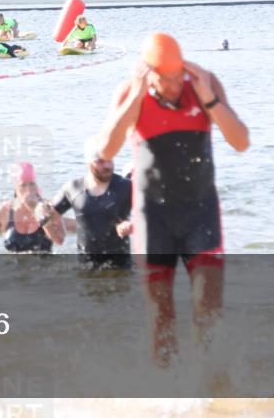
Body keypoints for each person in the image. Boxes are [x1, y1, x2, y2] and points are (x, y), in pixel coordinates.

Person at [96, 32, 249, 367]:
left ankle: (210, 389)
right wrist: (135, 98)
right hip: (153, 219)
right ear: (149, 74)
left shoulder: (204, 82)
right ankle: (165, 392)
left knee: (207, 308)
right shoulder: (129, 92)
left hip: (200, 213)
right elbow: (106, 150)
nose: (176, 84)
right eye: (167, 79)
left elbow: (241, 142)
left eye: (178, 74)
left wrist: (209, 99)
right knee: (160, 319)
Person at [51, 138, 133, 269]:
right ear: (88, 162)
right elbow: (49, 215)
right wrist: (56, 237)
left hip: (120, 267)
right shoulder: (73, 188)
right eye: (100, 161)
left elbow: (152, 213)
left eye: (110, 160)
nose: (107, 165)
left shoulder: (126, 187)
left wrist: (132, 225)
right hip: (86, 267)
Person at [0, 163, 65, 252]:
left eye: (32, 184)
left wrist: (43, 219)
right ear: (16, 187)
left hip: (44, 266)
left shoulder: (49, 207)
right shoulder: (5, 210)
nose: (28, 189)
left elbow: (59, 240)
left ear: (36, 185)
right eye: (23, 185)